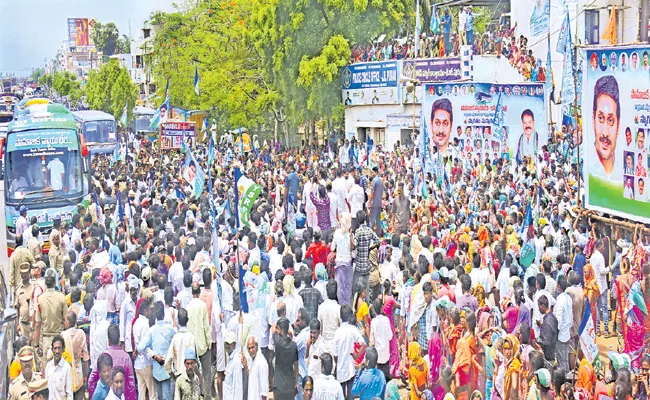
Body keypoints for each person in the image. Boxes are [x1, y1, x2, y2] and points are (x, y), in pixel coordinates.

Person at [333, 304, 366, 400]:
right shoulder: (353, 329)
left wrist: (337, 362)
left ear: (340, 316)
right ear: (349, 316)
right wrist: (356, 356)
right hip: (350, 368)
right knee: (351, 395)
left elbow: (335, 355)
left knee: (341, 396)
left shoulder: (337, 333)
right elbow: (364, 344)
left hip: (340, 369)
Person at [591, 75, 621, 179]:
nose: (605, 132)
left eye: (611, 120)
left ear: (618, 125)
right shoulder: (587, 167)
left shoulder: (623, 171)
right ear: (593, 119)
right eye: (600, 118)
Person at [44, 334, 73, 400]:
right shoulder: (48, 367)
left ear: (63, 349)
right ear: (52, 349)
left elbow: (69, 394)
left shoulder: (67, 368)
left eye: (59, 348)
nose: (57, 351)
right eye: (55, 348)